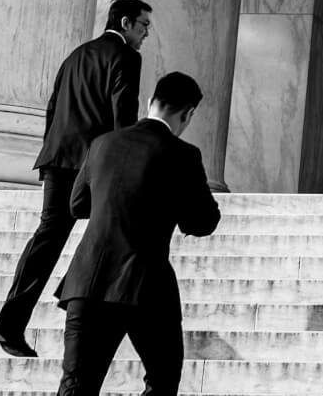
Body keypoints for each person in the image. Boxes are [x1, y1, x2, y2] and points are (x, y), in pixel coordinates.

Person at [0, 0, 151, 357]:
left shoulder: (76, 54)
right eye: (143, 26)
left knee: (48, 238)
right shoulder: (126, 56)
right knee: (111, 232)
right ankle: (76, 305)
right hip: (92, 163)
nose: (145, 34)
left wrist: (49, 152)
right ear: (125, 23)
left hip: (57, 157)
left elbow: (52, 105)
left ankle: (9, 321)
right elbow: (122, 113)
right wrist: (129, 162)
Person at [54, 71, 221, 396]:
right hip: (146, 284)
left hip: (87, 281)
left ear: (150, 102)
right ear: (187, 114)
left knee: (75, 386)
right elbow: (203, 220)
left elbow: (77, 205)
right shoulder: (183, 154)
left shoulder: (102, 143)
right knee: (163, 378)